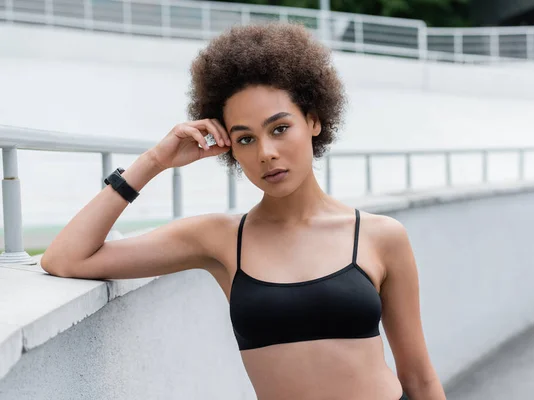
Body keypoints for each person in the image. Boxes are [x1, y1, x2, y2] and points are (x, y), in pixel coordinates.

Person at [41, 23, 446, 400]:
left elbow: (418, 376)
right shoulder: (221, 239)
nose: (266, 153)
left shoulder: (380, 236)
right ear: (229, 147)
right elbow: (66, 257)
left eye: (280, 128)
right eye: (246, 138)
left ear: (314, 121)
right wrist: (155, 160)